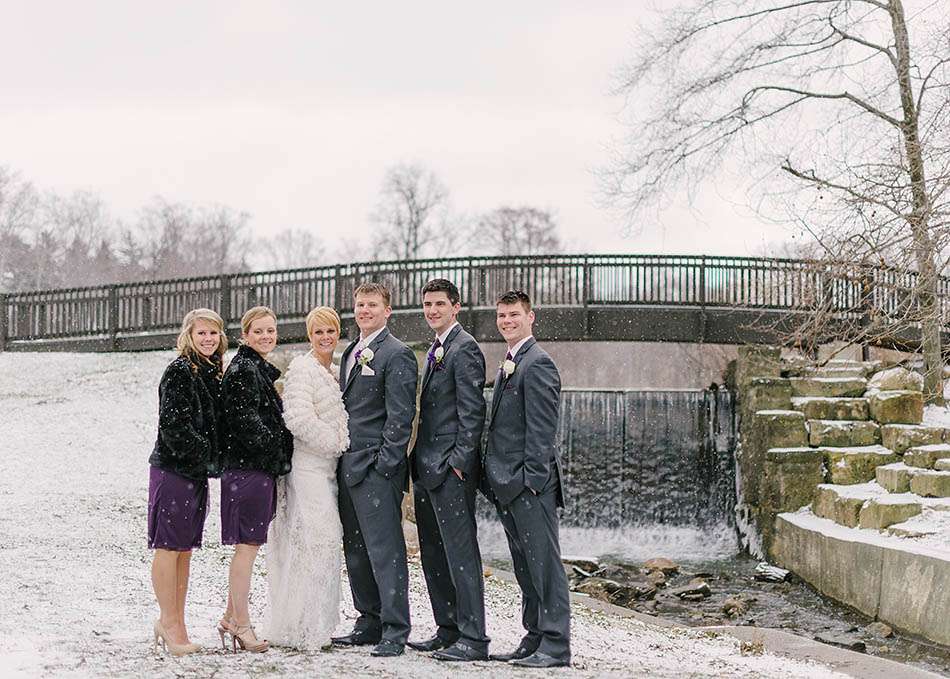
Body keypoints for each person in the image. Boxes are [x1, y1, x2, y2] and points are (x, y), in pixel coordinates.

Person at [484, 290, 571, 668]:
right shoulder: (512, 360)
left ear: (530, 317)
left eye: (514, 315)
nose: (507, 321)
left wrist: (531, 482)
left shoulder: (538, 364)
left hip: (529, 485)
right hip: (508, 485)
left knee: (545, 567)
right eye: (502, 315)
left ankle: (555, 644)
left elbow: (541, 432)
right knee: (525, 565)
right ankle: (534, 635)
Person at [332, 282, 418, 657]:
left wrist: (386, 465)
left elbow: (401, 417)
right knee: (356, 549)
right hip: (346, 465)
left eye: (372, 305)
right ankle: (368, 620)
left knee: (386, 551)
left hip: (376, 469)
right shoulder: (352, 350)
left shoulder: (396, 354)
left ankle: (395, 629)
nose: (365, 310)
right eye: (360, 304)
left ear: (388, 311)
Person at [407, 279, 489, 661]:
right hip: (425, 469)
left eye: (440, 304)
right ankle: (448, 628)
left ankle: (474, 638)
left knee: (460, 553)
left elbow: (472, 414)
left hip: (450, 471)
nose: (432, 310)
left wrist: (458, 463)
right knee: (433, 553)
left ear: (456, 307)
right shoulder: (437, 348)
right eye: (427, 304)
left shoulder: (465, 348)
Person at [265, 306, 349, 650]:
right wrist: (337, 443)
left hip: (329, 471)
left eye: (330, 331)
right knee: (318, 540)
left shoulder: (337, 368)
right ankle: (303, 624)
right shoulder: (303, 370)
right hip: (309, 468)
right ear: (308, 335)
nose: (325, 338)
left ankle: (318, 621)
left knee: (323, 544)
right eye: (318, 332)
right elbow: (298, 419)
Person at [147, 308, 226, 656]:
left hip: (195, 474)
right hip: (173, 470)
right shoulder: (180, 372)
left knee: (184, 549)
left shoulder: (211, 372)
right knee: (168, 546)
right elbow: (174, 428)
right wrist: (207, 453)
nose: (208, 339)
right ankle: (168, 621)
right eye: (201, 334)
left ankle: (177, 620)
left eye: (213, 333)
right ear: (189, 337)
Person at [218, 306, 293, 653]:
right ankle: (241, 624)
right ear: (245, 335)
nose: (266, 336)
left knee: (248, 547)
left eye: (271, 331)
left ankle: (230, 615)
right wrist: (278, 448)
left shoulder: (252, 368)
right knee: (246, 550)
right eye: (259, 331)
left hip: (254, 470)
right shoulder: (244, 370)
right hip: (248, 471)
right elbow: (246, 425)